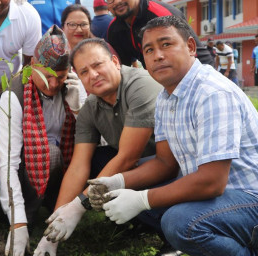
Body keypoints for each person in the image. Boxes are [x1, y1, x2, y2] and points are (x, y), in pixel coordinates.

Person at [88, 15, 258, 256]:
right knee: (142, 184)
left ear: (190, 47)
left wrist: (141, 200)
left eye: (166, 44)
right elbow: (165, 163)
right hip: (219, 194)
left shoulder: (212, 93)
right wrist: (119, 182)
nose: (158, 55)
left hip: (248, 198)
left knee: (179, 222)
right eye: (149, 50)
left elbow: (213, 181)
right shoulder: (166, 98)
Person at [34, 38, 162, 255]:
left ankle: (166, 231)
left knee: (168, 215)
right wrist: (55, 225)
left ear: (114, 61)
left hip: (170, 165)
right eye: (84, 72)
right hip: (137, 167)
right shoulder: (90, 109)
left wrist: (79, 206)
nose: (92, 75)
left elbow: (128, 157)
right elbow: (78, 166)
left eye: (98, 65)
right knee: (95, 159)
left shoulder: (140, 84)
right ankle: (137, 220)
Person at [0, 25, 83, 256]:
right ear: (33, 65)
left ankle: (59, 211)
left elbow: (93, 145)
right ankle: (30, 214)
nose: (54, 85)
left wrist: (80, 109)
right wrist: (18, 223)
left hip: (65, 171)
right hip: (27, 173)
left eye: (61, 77)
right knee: (51, 153)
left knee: (64, 153)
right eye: (47, 77)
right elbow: (8, 163)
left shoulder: (74, 88)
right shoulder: (13, 95)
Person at [101, 0, 214, 68]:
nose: (117, 1)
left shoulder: (162, 15)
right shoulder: (114, 30)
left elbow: (202, 58)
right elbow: (120, 70)